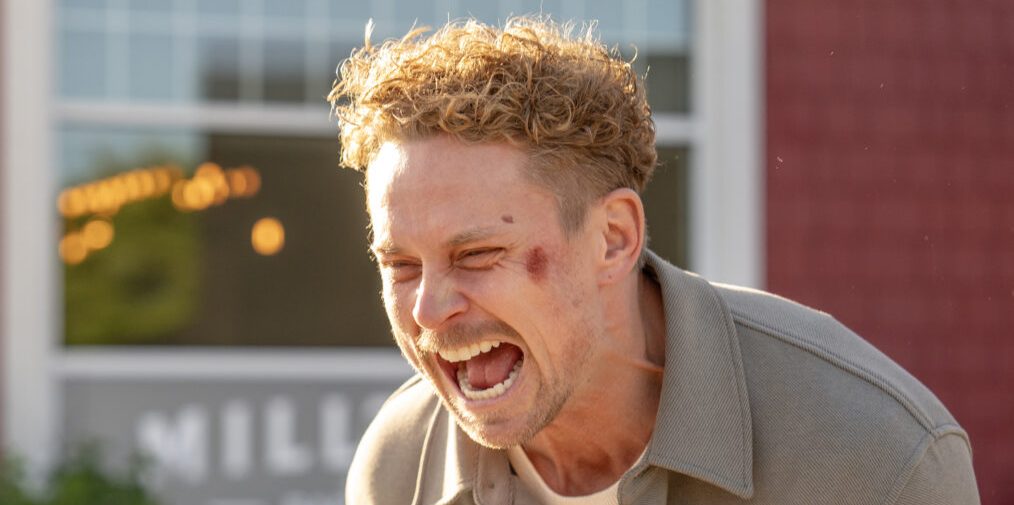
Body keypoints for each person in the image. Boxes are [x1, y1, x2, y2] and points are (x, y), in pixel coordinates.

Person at [328, 16, 979, 505]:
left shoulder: (878, 460)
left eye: (476, 255)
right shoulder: (398, 466)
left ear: (613, 238)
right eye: (401, 265)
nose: (427, 310)